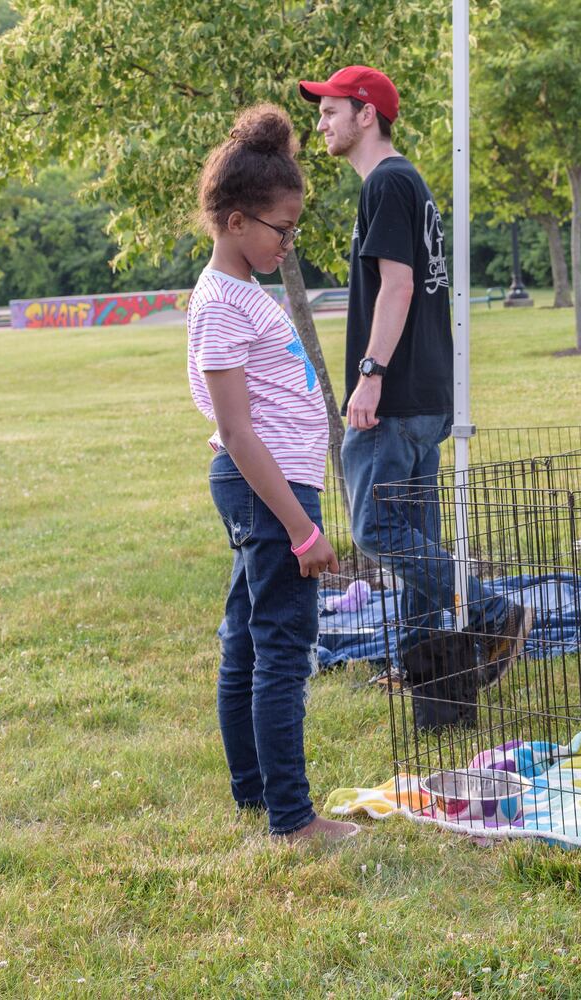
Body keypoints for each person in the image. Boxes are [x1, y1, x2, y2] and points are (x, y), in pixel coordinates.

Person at [298, 66, 530, 683]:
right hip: (427, 394)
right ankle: (425, 664)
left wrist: (369, 374)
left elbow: (397, 288)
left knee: (376, 530)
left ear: (366, 113)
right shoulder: (406, 183)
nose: (320, 122)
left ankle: (493, 612)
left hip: (397, 396)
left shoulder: (387, 184)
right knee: (417, 535)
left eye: (330, 110)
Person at [187, 104, 359, 843]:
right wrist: (301, 527)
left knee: (247, 641)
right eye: (280, 229)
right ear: (234, 222)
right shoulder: (224, 302)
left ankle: (256, 795)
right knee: (281, 652)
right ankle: (292, 817)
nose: (289, 242)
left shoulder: (240, 292)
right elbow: (235, 430)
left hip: (270, 488)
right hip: (270, 493)